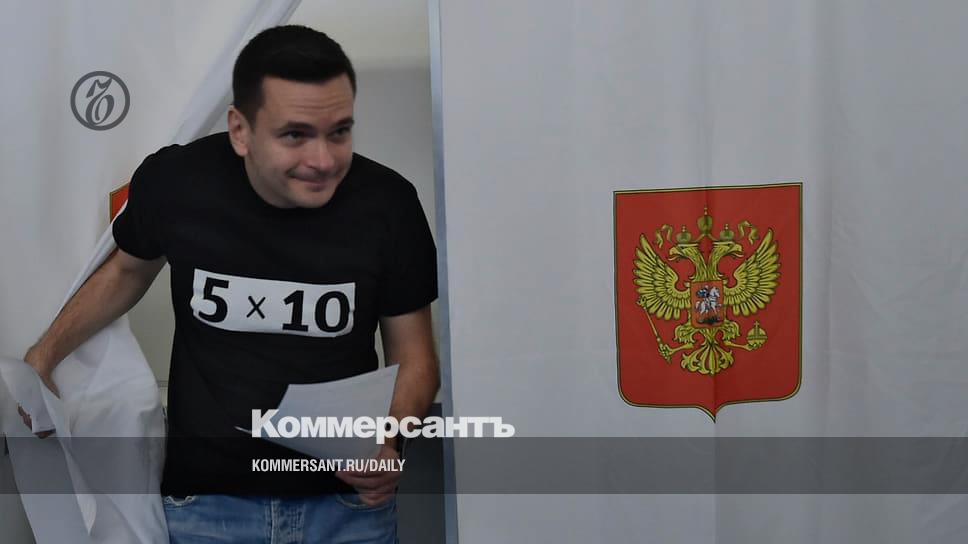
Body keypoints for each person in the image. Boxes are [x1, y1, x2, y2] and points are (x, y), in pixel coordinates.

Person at [18, 25, 439, 543]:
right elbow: (127, 270)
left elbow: (415, 358)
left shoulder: (388, 204)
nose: (323, 160)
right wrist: (43, 358)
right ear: (240, 130)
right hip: (206, 508)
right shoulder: (177, 183)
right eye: (295, 135)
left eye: (339, 132)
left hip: (345, 508)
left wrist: (390, 441)